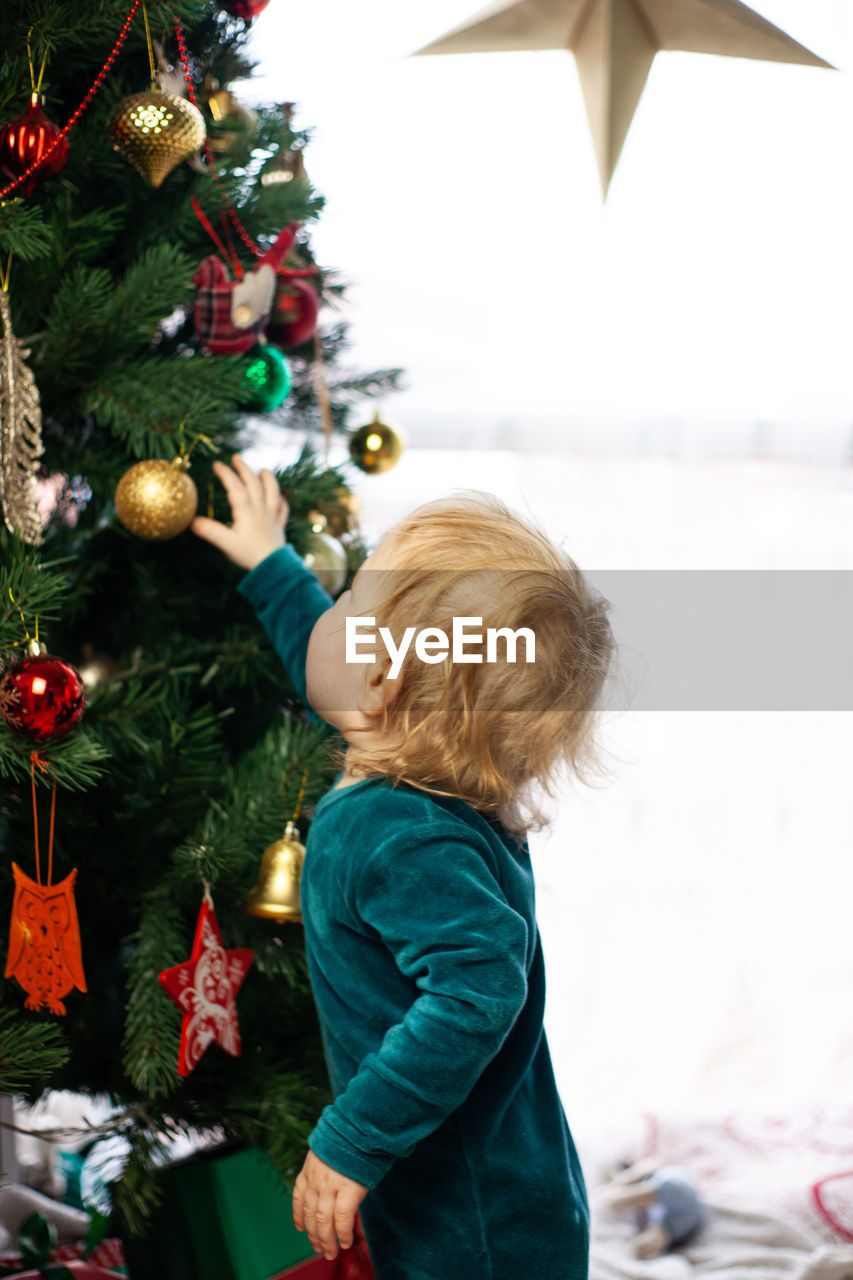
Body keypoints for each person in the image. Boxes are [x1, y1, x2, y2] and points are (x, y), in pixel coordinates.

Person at [191, 455, 615, 1280]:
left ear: (381, 685)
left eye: (346, 606)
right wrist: (273, 564)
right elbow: (332, 671)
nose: (331, 612)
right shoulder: (421, 768)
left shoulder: (395, 829)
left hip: (475, 1228)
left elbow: (479, 989)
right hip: (501, 1192)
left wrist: (350, 1144)